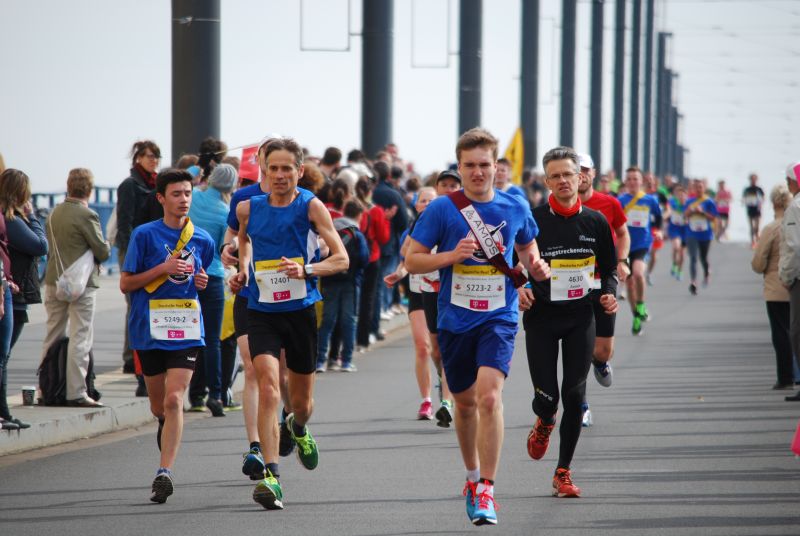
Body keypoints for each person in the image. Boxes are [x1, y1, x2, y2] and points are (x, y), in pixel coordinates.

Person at [406, 128, 547, 526]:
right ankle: (471, 476)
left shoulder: (514, 205)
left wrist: (534, 266)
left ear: (496, 166)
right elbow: (413, 261)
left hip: (499, 316)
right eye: (469, 165)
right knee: (465, 404)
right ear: (460, 166)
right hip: (455, 319)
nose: (478, 172)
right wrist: (451, 256)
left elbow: (527, 246)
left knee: (489, 397)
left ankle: (487, 487)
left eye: (485, 164)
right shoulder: (441, 209)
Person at [230, 137, 348, 510]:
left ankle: (297, 428)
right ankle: (272, 477)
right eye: (273, 168)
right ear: (264, 170)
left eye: (287, 168)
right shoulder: (247, 208)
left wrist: (307, 269)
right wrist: (242, 271)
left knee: (302, 403)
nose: (280, 175)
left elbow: (341, 258)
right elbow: (243, 244)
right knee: (267, 386)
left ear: (299, 170)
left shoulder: (311, 206)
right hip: (261, 309)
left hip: (300, 311)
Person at [521, 146, 618, 499]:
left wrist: (609, 294)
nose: (563, 180)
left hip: (581, 317)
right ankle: (545, 420)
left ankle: (563, 472)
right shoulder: (532, 221)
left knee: (574, 394)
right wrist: (520, 289)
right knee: (548, 398)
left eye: (568, 174)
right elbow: (514, 265)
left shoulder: (595, 221)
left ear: (581, 178)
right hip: (542, 318)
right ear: (546, 181)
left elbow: (609, 270)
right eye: (555, 176)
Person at [119, 168, 213, 503]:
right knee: (159, 406)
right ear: (161, 198)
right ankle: (164, 422)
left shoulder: (202, 238)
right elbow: (126, 284)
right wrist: (163, 268)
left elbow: (200, 275)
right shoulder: (144, 235)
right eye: (176, 194)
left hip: (186, 329)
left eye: (188, 193)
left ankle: (164, 472)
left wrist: (201, 281)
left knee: (175, 400)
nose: (183, 199)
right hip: (149, 330)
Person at [220, 137, 296, 479]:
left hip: (288, 297)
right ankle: (255, 446)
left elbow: (320, 243)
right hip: (251, 294)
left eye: (282, 164)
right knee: (252, 369)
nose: (274, 169)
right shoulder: (243, 198)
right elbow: (232, 237)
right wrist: (228, 251)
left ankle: (290, 419)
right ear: (261, 162)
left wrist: (315, 260)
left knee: (282, 374)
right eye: (268, 161)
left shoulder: (300, 199)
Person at [42, 168, 111, 408]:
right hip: (80, 283)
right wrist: (106, 244)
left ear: (68, 186)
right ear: (89, 190)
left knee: (52, 334)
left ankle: (46, 387)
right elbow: (102, 251)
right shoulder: (87, 215)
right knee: (80, 335)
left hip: (54, 280)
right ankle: (77, 392)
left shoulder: (53, 213)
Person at [575, 154, 630, 427]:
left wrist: (622, 260)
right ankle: (581, 406)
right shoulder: (558, 205)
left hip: (604, 281)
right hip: (574, 283)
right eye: (576, 170)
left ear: (593, 173)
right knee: (579, 348)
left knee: (602, 350)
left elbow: (623, 232)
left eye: (585, 170)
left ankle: (600, 362)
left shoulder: (609, 203)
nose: (581, 174)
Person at [384, 187, 443, 419]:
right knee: (422, 346)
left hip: (441, 292)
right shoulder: (411, 231)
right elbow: (405, 261)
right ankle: (426, 400)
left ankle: (445, 384)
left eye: (431, 201)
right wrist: (398, 274)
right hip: (418, 292)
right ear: (417, 205)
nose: (427, 204)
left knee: (440, 351)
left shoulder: (446, 225)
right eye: (423, 201)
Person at [186, 163, 238, 416]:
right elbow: (222, 247)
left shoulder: (193, 197)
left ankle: (195, 395)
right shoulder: (225, 211)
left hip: (186, 274)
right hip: (214, 275)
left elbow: (184, 177)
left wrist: (195, 168)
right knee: (212, 340)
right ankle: (215, 395)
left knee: (191, 336)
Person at [117, 140, 161, 388]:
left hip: (149, 250)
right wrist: (128, 255)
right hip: (134, 250)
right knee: (134, 303)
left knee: (142, 304)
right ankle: (130, 358)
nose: (154, 160)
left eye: (156, 156)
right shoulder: (130, 185)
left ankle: (137, 356)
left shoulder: (155, 183)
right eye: (149, 156)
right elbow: (124, 221)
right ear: (138, 158)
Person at [317, 200, 369, 373]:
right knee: (349, 321)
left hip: (329, 280)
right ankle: (346, 361)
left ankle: (320, 360)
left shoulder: (330, 229)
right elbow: (364, 258)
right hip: (350, 283)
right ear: (359, 215)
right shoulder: (356, 234)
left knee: (327, 321)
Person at [752, 184, 795, 390]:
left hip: (775, 288)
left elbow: (758, 262)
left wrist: (762, 267)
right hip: (794, 285)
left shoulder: (771, 228)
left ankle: (785, 376)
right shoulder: (794, 224)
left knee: (781, 333)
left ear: (773, 203)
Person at [1, 169, 48, 359]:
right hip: (15, 293)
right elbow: (41, 246)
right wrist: (33, 217)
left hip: (10, 289)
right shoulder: (12, 221)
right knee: (3, 356)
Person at [617, 167, 662, 335]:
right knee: (629, 283)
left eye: (635, 178)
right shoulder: (620, 201)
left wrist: (658, 230)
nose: (632, 182)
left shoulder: (650, 200)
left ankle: (641, 305)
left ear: (641, 181)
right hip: (625, 245)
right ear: (625, 182)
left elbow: (658, 218)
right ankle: (636, 316)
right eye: (629, 179)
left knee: (638, 273)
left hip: (643, 243)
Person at [779, 161, 800, 402]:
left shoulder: (795, 207)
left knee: (796, 331)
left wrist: (786, 275)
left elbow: (794, 247)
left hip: (798, 278)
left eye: (789, 181)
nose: (787, 185)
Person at [684, 179, 718, 295]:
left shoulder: (709, 202)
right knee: (693, 257)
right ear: (693, 189)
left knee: (703, 257)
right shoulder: (689, 201)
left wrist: (702, 212)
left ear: (704, 189)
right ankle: (693, 282)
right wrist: (690, 211)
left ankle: (707, 273)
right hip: (691, 233)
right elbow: (685, 215)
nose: (698, 189)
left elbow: (713, 218)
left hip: (705, 234)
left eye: (700, 187)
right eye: (696, 187)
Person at [667, 185, 689, 281]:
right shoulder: (672, 202)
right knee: (676, 247)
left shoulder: (688, 205)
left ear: (686, 196)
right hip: (674, 229)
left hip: (685, 230)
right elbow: (668, 208)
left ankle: (680, 271)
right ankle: (674, 264)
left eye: (683, 195)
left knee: (682, 254)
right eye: (679, 195)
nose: (681, 197)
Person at [743, 173, 765, 249]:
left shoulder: (759, 189)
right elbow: (744, 198)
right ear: (750, 180)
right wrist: (745, 201)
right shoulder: (747, 189)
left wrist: (760, 202)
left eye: (754, 179)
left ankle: (757, 240)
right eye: (752, 179)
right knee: (751, 227)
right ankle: (753, 242)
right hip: (750, 209)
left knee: (757, 227)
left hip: (757, 210)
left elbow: (763, 198)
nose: (753, 181)